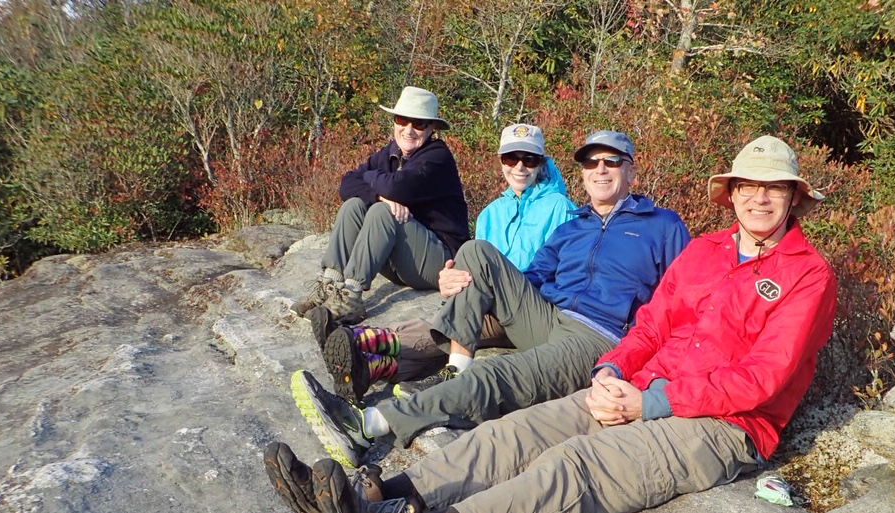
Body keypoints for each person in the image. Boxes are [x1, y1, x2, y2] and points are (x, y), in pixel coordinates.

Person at [263, 135, 838, 513]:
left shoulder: (808, 274)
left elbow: (763, 377)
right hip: (637, 384)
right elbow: (652, 325)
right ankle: (370, 497)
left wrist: (651, 402)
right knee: (514, 433)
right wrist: (612, 371)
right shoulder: (704, 250)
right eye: (749, 186)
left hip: (722, 424)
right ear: (731, 193)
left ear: (794, 198)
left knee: (576, 464)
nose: (759, 198)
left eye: (774, 188)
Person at [293, 130, 691, 468]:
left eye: (612, 161)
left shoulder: (663, 226)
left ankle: (367, 426)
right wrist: (465, 283)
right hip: (548, 315)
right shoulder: (574, 225)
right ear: (583, 172)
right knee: (476, 252)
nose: (600, 169)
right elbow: (532, 277)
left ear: (631, 171)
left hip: (597, 336)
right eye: (591, 162)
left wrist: (653, 375)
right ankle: (454, 367)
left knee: (498, 374)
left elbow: (683, 304)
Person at [308, 123, 576, 402]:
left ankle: (366, 342)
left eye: (529, 159)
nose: (519, 167)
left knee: (455, 316)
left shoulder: (560, 207)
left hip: (531, 310)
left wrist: (494, 286)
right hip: (491, 307)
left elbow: (563, 275)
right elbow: (477, 272)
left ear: (541, 163)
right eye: (511, 158)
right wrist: (454, 279)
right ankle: (371, 366)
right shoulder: (491, 213)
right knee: (444, 325)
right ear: (501, 161)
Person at [293, 86, 468, 324]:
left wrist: (371, 179)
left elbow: (396, 188)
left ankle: (351, 296)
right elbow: (347, 184)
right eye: (402, 120)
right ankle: (329, 284)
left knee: (382, 211)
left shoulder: (438, 157)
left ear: (431, 129)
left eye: (418, 124)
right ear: (394, 121)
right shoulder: (390, 152)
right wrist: (378, 195)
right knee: (354, 206)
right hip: (401, 261)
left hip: (439, 262)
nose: (409, 130)